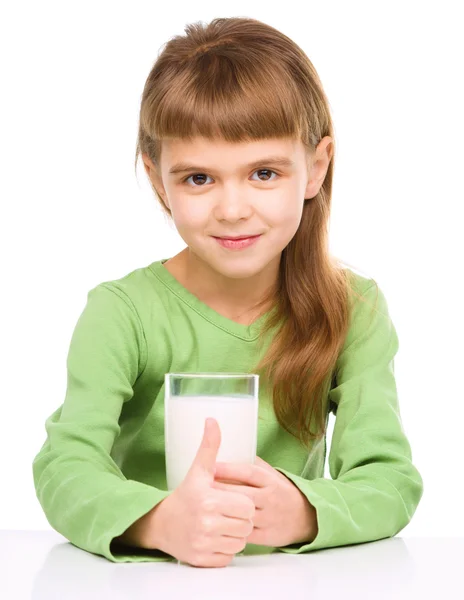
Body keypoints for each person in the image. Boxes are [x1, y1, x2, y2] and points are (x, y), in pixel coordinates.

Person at [32, 16, 424, 568]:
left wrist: (306, 511)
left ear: (315, 168)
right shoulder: (122, 314)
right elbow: (64, 467)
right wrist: (159, 522)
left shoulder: (353, 309)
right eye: (199, 178)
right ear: (157, 178)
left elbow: (390, 480)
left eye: (264, 173)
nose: (233, 209)